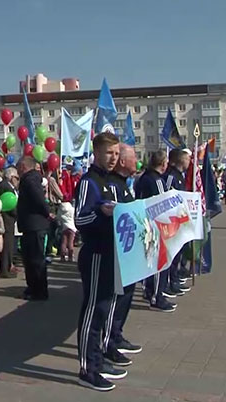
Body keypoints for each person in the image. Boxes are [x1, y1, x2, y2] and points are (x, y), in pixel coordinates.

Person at [74, 132, 126, 391]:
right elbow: (79, 220)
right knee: (94, 311)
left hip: (113, 253)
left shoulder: (113, 181)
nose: (113, 158)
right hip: (95, 253)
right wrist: (100, 212)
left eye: (116, 154)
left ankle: (99, 358)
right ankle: (88, 368)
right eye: (109, 153)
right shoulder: (89, 182)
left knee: (105, 310)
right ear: (96, 152)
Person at [103, 144, 143, 368]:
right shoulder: (112, 185)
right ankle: (109, 344)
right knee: (116, 299)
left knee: (126, 297)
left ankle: (117, 335)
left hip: (129, 253)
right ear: (122, 162)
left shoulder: (124, 185)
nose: (136, 161)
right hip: (118, 252)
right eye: (133, 157)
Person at [133, 150, 175, 313]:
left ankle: (149, 291)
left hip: (144, 222)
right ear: (163, 164)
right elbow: (162, 203)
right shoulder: (156, 180)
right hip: (154, 225)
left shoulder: (143, 177)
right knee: (159, 262)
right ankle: (157, 295)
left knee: (149, 261)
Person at [16, 156, 51, 301]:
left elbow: (39, 200)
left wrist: (46, 212)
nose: (17, 172)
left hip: (34, 225)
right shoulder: (33, 179)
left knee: (35, 261)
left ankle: (39, 291)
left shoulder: (29, 180)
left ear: (23, 167)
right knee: (30, 260)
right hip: (31, 226)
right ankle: (33, 288)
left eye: (18, 168)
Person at [162, 149, 191, 297]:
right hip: (170, 221)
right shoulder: (171, 176)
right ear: (180, 160)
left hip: (180, 220)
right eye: (187, 159)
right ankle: (166, 283)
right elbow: (165, 197)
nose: (189, 162)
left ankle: (174, 278)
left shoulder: (180, 176)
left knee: (178, 253)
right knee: (171, 254)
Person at [0, 168, 19, 278]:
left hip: (5, 218)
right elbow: (10, 204)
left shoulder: (2, 185)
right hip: (7, 219)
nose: (17, 180)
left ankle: (7, 267)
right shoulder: (6, 187)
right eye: (16, 177)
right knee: (7, 244)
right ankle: (4, 269)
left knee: (7, 244)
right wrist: (17, 214)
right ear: (11, 177)